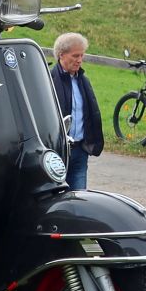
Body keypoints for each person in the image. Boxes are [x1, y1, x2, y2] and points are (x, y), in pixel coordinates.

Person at [50, 32, 104, 190]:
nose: (79, 60)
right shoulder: (48, 80)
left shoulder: (83, 81)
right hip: (57, 153)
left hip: (80, 151)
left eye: (82, 55)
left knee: (79, 200)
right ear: (61, 55)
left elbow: (92, 114)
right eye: (75, 56)